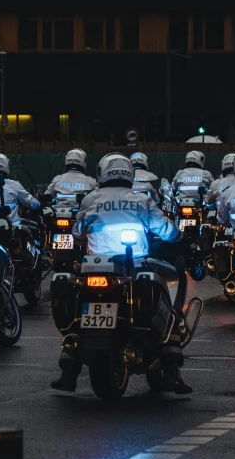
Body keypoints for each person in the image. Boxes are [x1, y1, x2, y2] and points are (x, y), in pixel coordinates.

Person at [51, 153, 192, 396]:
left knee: (77, 309)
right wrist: (180, 239)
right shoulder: (140, 200)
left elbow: (77, 232)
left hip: (94, 267)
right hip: (135, 266)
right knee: (168, 305)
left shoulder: (90, 199)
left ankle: (69, 370)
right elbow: (165, 229)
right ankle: (171, 369)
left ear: (102, 172)